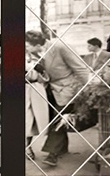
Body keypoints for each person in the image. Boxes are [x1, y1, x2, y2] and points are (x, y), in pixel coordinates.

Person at [26, 29, 88, 166]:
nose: (25, 48)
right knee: (55, 117)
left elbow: (80, 68)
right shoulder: (34, 53)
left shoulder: (60, 47)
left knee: (59, 119)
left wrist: (87, 89)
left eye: (27, 46)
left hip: (67, 88)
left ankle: (52, 154)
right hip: (49, 90)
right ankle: (62, 149)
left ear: (37, 45)